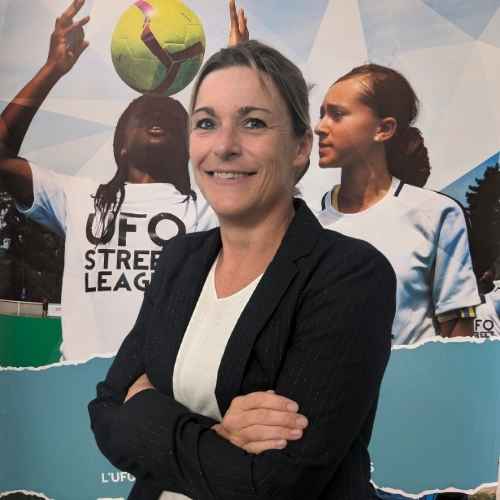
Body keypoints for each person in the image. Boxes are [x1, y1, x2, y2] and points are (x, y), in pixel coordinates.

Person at [88, 40, 397, 499]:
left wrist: (147, 412)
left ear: (300, 147)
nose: (225, 146)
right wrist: (217, 435)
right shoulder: (179, 260)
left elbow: (275, 484)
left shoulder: (350, 275)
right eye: (206, 123)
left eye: (253, 123)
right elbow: (107, 410)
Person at [0, 0, 215, 361]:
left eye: (171, 116)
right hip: (85, 386)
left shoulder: (206, 212)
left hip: (165, 390)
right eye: (144, 112)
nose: (158, 114)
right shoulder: (76, 196)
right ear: (121, 146)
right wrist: (52, 69)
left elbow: (273, 181)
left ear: (188, 149)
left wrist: (240, 80)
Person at [313, 63, 480, 345]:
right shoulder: (307, 225)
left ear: (384, 129)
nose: (320, 127)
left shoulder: (437, 215)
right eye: (321, 115)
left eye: (337, 114)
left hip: (414, 374)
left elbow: (459, 334)